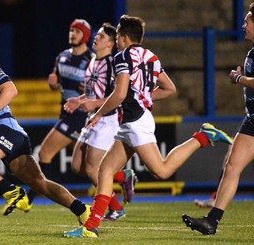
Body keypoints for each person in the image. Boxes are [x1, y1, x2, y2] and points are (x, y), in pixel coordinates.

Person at [63, 14, 234, 238]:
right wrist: (144, 96)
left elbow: (120, 93)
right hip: (132, 120)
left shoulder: (122, 56)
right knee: (104, 171)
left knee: (161, 171)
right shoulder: (150, 56)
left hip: (134, 121)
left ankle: (202, 136)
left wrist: (99, 114)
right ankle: (90, 227)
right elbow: (169, 88)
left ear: (123, 37)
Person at [0, 37, 91, 224]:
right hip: (4, 134)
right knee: (40, 183)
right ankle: (82, 210)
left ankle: (12, 191)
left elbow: (11, 90)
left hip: (7, 129)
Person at [182, 3, 254, 235]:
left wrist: (238, 79)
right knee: (231, 165)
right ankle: (212, 221)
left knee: (231, 165)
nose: (243, 25)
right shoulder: (252, 52)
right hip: (252, 119)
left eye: (247, 21)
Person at [64, 22, 136, 221]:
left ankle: (116, 208)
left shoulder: (113, 64)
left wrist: (94, 103)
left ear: (111, 44)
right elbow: (91, 92)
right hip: (92, 118)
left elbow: (117, 95)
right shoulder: (94, 60)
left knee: (92, 169)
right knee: (77, 166)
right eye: (97, 35)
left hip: (107, 120)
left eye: (102, 37)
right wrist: (78, 101)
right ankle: (123, 176)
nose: (96, 38)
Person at [27, 19, 95, 204]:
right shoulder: (62, 56)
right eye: (71, 30)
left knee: (45, 153)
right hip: (65, 111)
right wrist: (53, 84)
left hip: (79, 114)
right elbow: (56, 83)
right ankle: (122, 177)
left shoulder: (92, 60)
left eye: (77, 31)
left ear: (86, 36)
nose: (72, 33)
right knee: (85, 166)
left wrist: (89, 91)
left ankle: (32, 197)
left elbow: (102, 89)